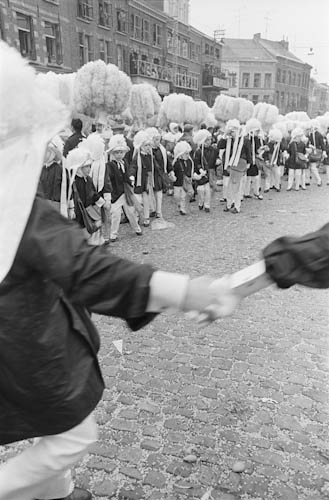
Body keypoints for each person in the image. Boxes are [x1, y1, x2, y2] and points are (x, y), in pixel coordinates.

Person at [0, 41, 232, 500]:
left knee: (56, 446)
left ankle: (56, 494)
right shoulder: (19, 210)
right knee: (74, 435)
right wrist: (181, 290)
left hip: (19, 352)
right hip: (31, 352)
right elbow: (88, 270)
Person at [106, 134, 142, 242]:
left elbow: (126, 174)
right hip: (116, 193)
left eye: (121, 152)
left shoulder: (125, 162)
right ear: (112, 153)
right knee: (116, 215)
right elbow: (110, 179)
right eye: (117, 152)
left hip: (125, 192)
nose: (119, 155)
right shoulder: (110, 165)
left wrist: (130, 180)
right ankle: (113, 234)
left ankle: (137, 228)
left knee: (131, 211)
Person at [172, 141, 194, 215]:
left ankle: (183, 208)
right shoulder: (176, 163)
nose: (188, 155)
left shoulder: (189, 162)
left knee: (183, 196)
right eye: (186, 153)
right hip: (177, 182)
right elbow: (173, 170)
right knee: (177, 196)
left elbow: (190, 170)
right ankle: (179, 204)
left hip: (184, 182)